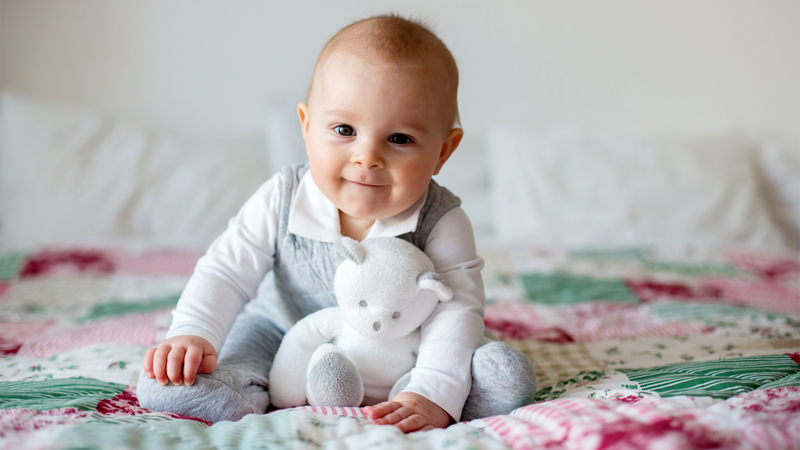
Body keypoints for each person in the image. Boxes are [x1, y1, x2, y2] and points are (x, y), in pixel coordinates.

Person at [137, 13, 536, 432]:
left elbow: (456, 309)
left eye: (399, 139)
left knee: (482, 366)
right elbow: (226, 269)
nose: (367, 157)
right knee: (192, 371)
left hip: (403, 345)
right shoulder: (282, 196)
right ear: (307, 127)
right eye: (345, 129)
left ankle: (431, 393)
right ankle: (238, 392)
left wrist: (433, 390)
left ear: (443, 151)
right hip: (283, 329)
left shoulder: (442, 219)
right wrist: (193, 334)